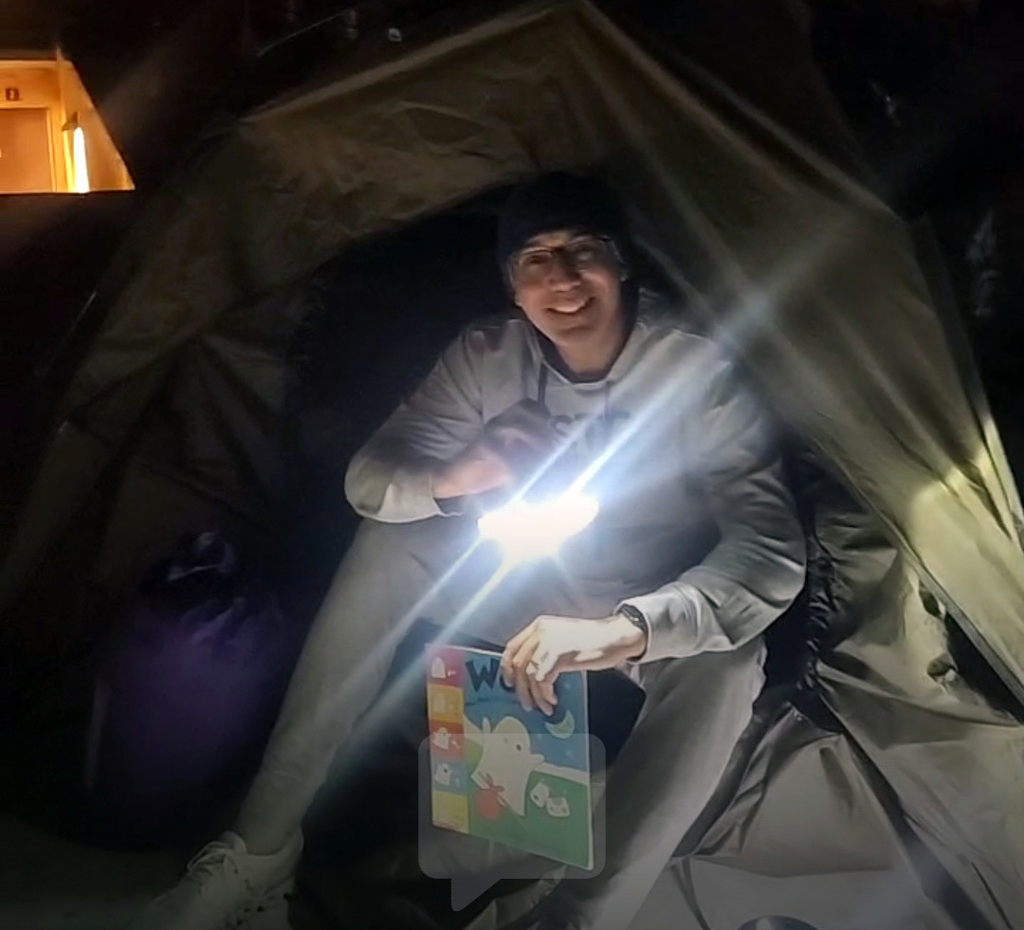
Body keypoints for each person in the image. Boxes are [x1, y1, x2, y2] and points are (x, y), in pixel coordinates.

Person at [129, 172, 806, 930]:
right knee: (393, 538)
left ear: (623, 265)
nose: (563, 279)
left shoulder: (693, 371)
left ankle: (580, 918)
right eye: (535, 261)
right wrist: (463, 473)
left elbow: (772, 549)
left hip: (630, 605)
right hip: (514, 576)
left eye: (584, 251)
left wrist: (625, 628)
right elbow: (369, 482)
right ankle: (257, 854)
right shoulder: (488, 356)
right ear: (513, 288)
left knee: (729, 664)